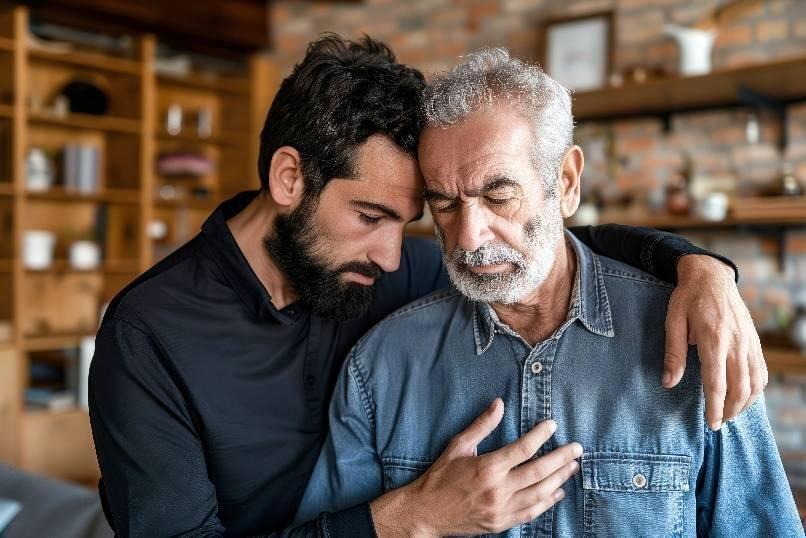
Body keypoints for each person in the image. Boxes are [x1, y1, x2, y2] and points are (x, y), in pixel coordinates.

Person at [89, 36, 767, 537]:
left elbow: (554, 246)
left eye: (414, 217)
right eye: (371, 216)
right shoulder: (148, 336)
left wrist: (698, 267)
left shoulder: (404, 272)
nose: (399, 255)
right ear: (290, 179)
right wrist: (408, 518)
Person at [295, 48, 802, 536]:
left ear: (565, 183)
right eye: (445, 205)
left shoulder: (700, 341)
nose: (469, 235)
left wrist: (707, 270)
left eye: (498, 196)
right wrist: (417, 516)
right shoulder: (382, 366)